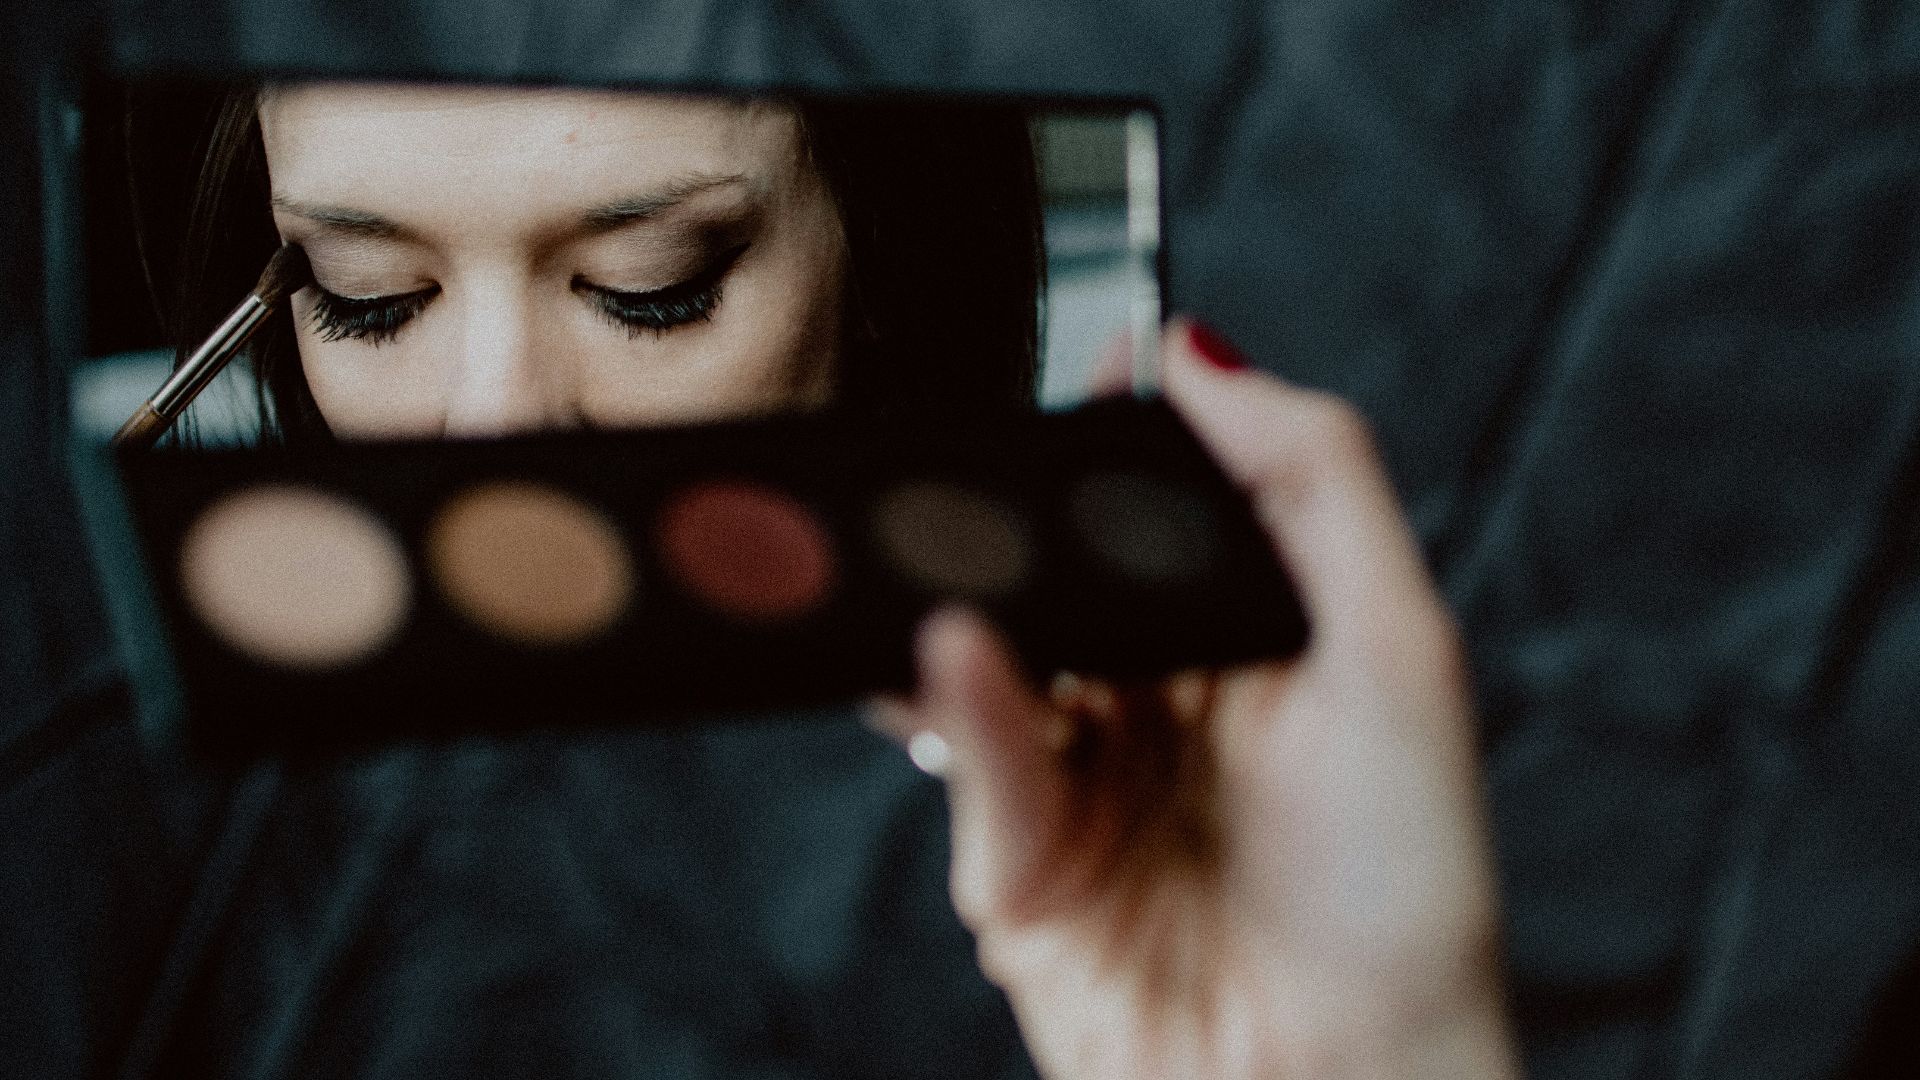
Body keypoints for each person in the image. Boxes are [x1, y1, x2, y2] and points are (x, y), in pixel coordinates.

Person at [136, 81, 1523, 1077]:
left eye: (653, 286)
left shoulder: (1121, 816)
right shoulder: (178, 879)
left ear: (879, 255)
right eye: (366, 297)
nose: (492, 428)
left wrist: (1366, 1054)